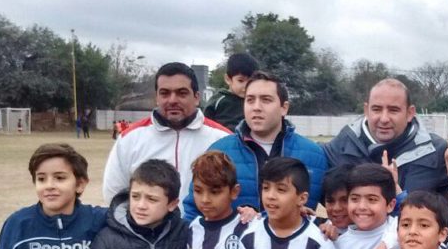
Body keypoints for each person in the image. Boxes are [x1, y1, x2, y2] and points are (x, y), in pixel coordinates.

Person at [184, 71, 327, 219]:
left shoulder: (314, 155)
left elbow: (340, 208)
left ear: (284, 108)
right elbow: (193, 211)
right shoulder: (220, 152)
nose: (256, 107)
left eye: (266, 100)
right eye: (250, 100)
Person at [102, 62, 231, 215]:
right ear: (156, 97)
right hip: (149, 237)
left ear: (196, 97)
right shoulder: (130, 139)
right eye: (165, 93)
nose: (172, 100)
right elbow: (115, 196)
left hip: (206, 235)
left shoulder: (223, 139)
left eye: (181, 93)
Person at [325, 78, 448, 194]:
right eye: (377, 109)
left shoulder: (436, 151)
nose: (384, 119)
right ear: (366, 110)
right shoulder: (341, 145)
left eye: (393, 110)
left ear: (410, 113)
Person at [335, 163, 399, 249]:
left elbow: (406, 222)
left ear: (390, 205)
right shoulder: (338, 243)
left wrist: (386, 245)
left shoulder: (396, 231)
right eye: (355, 199)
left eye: (372, 199)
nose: (362, 206)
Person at [204, 52, 259, 131]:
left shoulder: (256, 101)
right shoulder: (218, 101)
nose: (246, 86)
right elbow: (206, 124)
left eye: (251, 81)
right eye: (241, 80)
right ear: (228, 79)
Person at [319, 163, 355, 235]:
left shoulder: (378, 238)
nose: (336, 208)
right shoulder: (317, 229)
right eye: (330, 201)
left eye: (345, 200)